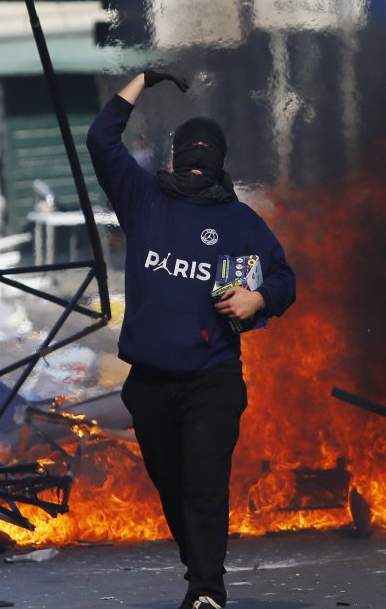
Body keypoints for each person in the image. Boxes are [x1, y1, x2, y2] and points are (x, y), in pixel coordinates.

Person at [86, 70, 296, 609]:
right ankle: (198, 570)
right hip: (151, 383)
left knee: (204, 488)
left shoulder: (240, 222)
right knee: (175, 490)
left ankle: (207, 592)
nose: (198, 159)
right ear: (175, 156)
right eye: (191, 150)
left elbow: (283, 280)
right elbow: (100, 140)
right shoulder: (143, 200)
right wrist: (142, 80)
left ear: (220, 162)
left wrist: (259, 300)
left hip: (212, 379)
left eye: (209, 152)